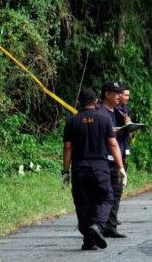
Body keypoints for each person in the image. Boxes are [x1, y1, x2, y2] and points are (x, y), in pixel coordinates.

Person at [62, 88, 126, 250]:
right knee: (105, 198)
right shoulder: (104, 119)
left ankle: (88, 240)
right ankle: (97, 226)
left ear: (78, 103)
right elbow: (113, 144)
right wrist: (120, 167)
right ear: (96, 102)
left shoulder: (72, 121)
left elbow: (68, 148)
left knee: (83, 202)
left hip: (79, 169)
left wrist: (65, 171)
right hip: (100, 168)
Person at [96, 82, 127, 238]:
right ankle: (98, 225)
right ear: (107, 94)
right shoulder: (98, 112)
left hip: (118, 158)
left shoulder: (119, 112)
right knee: (103, 193)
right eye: (116, 93)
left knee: (116, 192)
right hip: (102, 159)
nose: (119, 96)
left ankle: (111, 226)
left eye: (120, 93)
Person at [116, 84, 132, 170]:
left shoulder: (127, 109)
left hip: (125, 143)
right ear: (119, 95)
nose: (127, 98)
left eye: (128, 95)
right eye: (126, 95)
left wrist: (129, 125)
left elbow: (129, 132)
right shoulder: (113, 108)